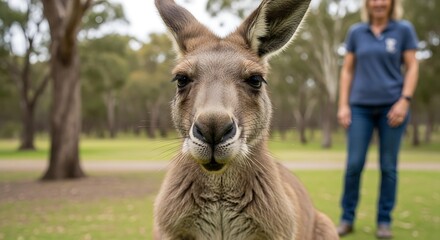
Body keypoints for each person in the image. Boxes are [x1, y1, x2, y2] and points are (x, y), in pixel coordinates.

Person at [336, 0, 419, 238]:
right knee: (353, 165)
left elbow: (413, 66)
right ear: (367, 4)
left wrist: (405, 100)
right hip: (360, 107)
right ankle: (346, 219)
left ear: (392, 3)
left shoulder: (404, 30)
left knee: (389, 167)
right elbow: (347, 70)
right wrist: (343, 105)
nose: (379, 3)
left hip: (392, 109)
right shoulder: (356, 32)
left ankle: (384, 221)